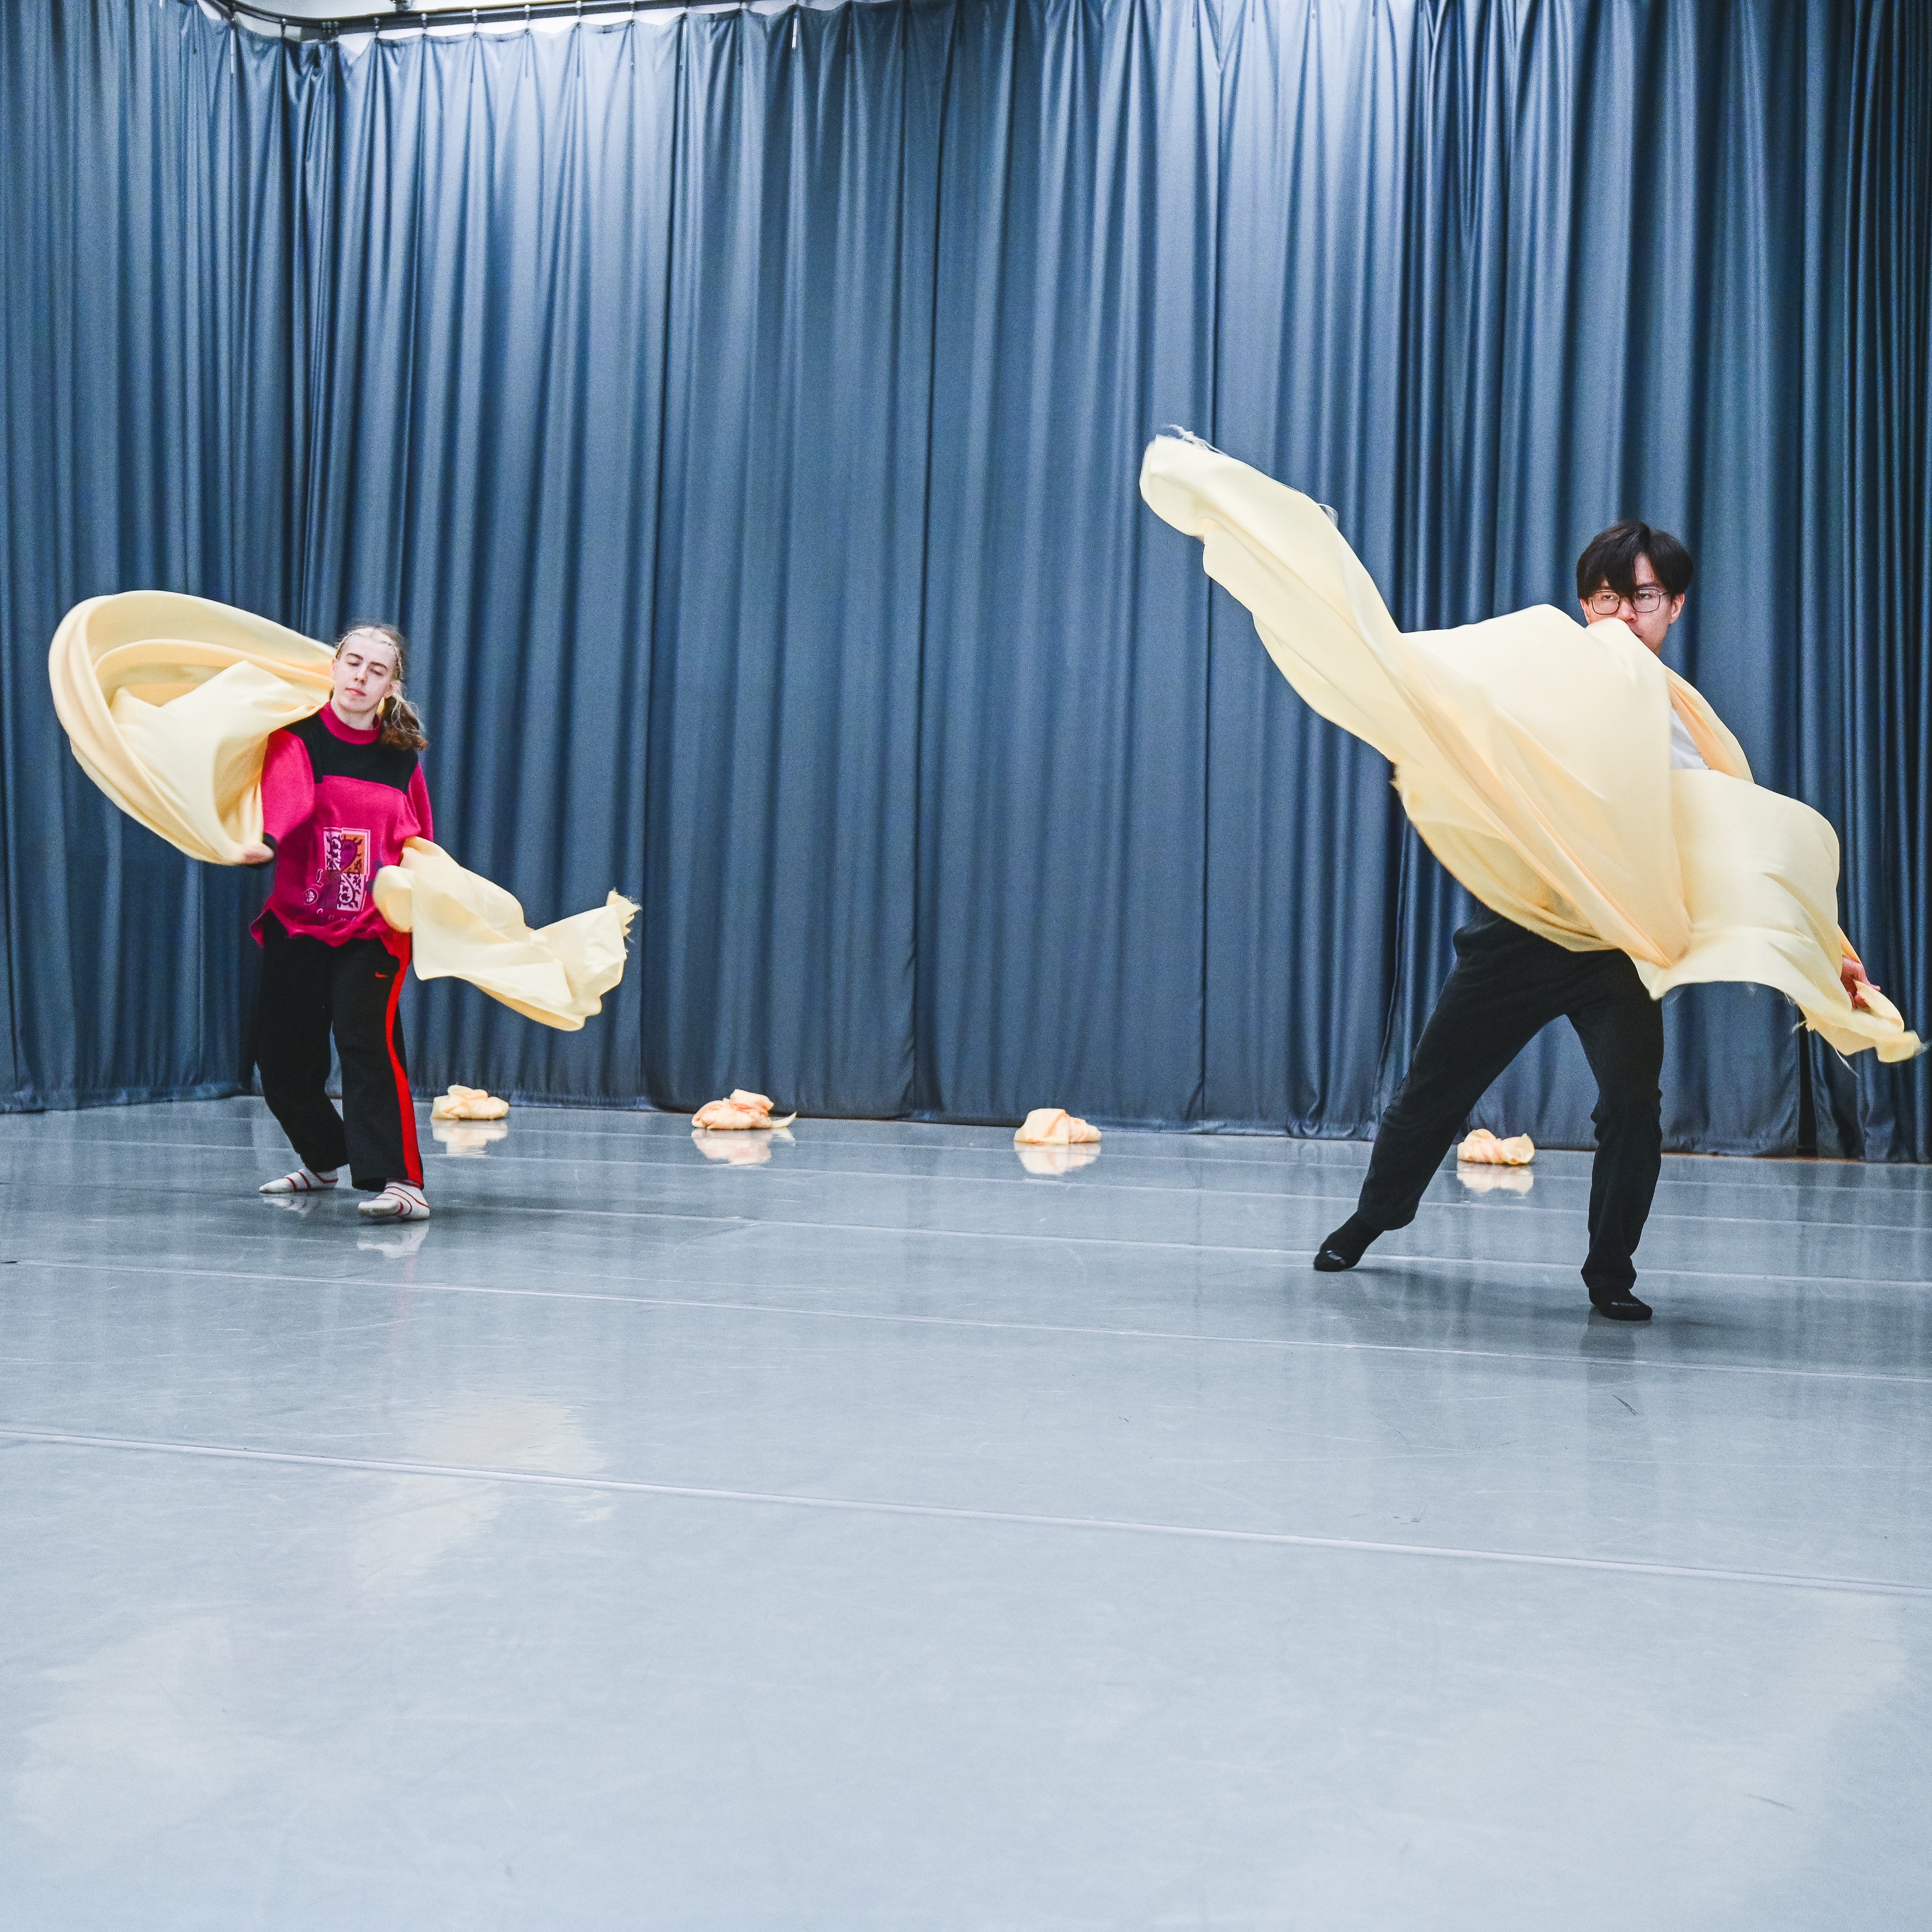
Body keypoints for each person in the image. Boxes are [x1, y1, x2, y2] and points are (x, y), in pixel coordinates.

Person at [1310, 522, 1876, 1319]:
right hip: (1517, 933)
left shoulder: (1681, 724)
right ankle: (1374, 1218)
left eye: (1642, 597)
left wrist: (1830, 952)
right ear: (1585, 605)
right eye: (1607, 597)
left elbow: (1742, 842)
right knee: (1432, 1096)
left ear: (1673, 608)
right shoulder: (1544, 673)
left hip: (1613, 950)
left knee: (1631, 1110)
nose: (1623, 613)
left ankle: (1610, 1272)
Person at [241, 624, 434, 1222]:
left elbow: (420, 840)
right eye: (352, 662)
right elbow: (287, 796)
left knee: (368, 1044)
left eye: (376, 670)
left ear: (390, 685)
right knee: (280, 1059)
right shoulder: (296, 737)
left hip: (372, 931)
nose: (360, 676)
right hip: (297, 922)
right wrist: (267, 839)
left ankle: (401, 1182)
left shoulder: (402, 756)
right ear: (333, 666)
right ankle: (325, 1157)